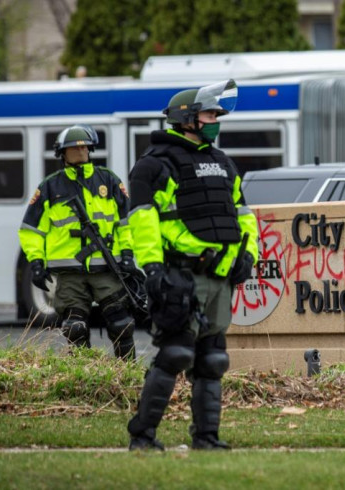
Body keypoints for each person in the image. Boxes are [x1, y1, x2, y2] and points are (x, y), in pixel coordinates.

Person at [126, 80, 259, 451]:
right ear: (186, 119)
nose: (216, 120)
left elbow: (243, 217)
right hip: (178, 275)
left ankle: (207, 439)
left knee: (212, 360)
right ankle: (142, 436)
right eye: (210, 114)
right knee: (175, 353)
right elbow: (142, 219)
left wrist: (248, 257)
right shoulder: (155, 165)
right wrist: (152, 267)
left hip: (219, 278)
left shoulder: (223, 163)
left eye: (216, 114)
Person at [18, 125, 137, 360]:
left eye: (84, 147)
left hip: (106, 267)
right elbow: (31, 230)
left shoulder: (109, 181)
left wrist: (127, 254)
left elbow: (126, 222)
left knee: (122, 324)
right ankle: (84, 375)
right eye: (74, 147)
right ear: (63, 153)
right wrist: (37, 263)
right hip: (69, 272)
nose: (80, 151)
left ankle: (129, 374)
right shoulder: (50, 186)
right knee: (75, 328)